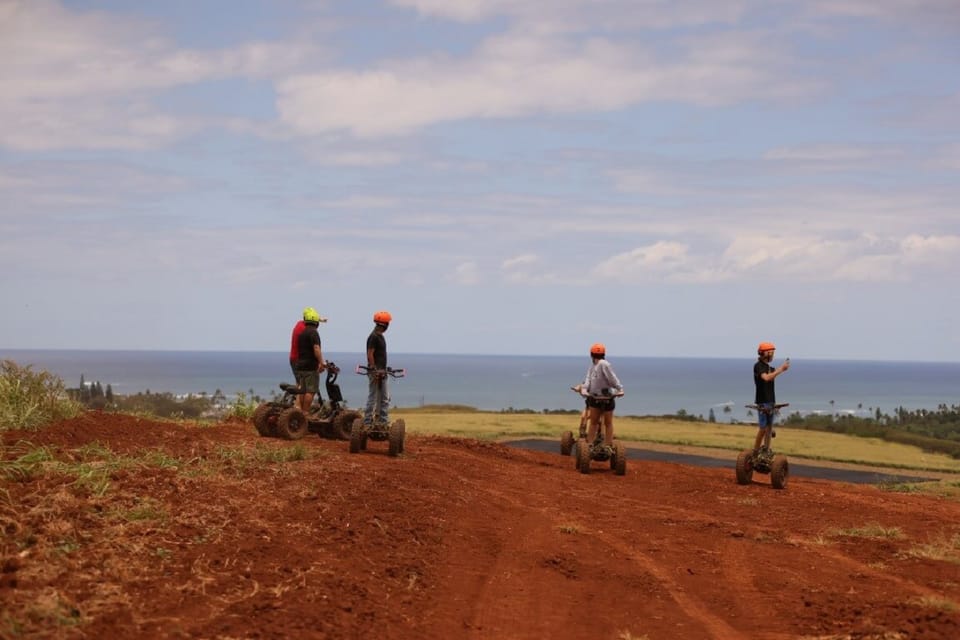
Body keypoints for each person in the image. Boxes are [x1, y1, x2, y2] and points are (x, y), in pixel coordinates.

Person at [580, 343, 624, 449]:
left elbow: (612, 378)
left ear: (591, 354)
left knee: (600, 423)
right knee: (599, 423)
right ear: (603, 354)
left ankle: (606, 446)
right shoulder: (592, 367)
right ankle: (590, 446)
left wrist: (620, 388)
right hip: (597, 397)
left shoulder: (603, 364)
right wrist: (584, 389)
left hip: (605, 397)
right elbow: (588, 380)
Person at [753, 341, 790, 453]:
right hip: (763, 401)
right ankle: (755, 450)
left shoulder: (769, 367)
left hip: (770, 401)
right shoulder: (758, 366)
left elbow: (771, 376)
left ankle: (766, 449)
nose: (772, 355)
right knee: (763, 428)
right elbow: (766, 378)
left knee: (769, 428)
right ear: (765, 354)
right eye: (771, 353)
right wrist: (781, 370)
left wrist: (780, 370)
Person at [290, 307, 328, 413]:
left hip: (300, 365)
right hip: (310, 366)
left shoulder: (302, 333)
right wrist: (322, 362)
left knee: (302, 390)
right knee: (310, 391)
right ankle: (306, 413)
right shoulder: (313, 333)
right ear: (316, 323)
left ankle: (300, 412)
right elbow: (316, 349)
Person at [363, 310, 392, 426]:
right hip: (376, 372)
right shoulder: (374, 337)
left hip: (382, 371)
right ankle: (368, 422)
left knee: (384, 398)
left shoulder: (379, 336)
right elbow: (370, 354)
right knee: (374, 397)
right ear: (385, 325)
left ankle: (382, 421)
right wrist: (374, 369)